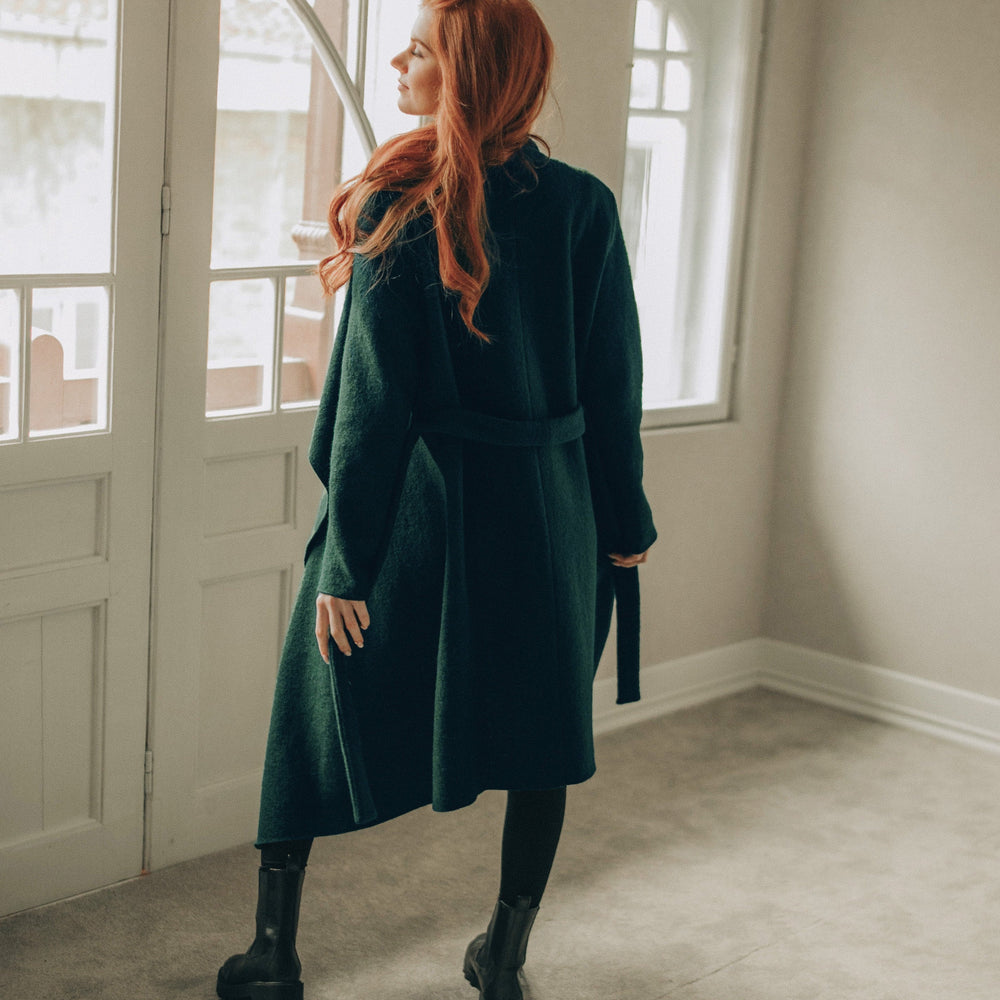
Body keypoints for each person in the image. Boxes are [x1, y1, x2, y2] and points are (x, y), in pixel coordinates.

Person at [216, 1, 655, 997]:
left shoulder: (395, 207)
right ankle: (501, 960)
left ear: (465, 74)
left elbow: (372, 410)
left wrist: (347, 561)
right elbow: (613, 384)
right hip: (551, 518)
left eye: (417, 50)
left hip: (422, 516)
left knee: (309, 708)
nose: (397, 60)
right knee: (543, 726)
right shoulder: (581, 205)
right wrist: (622, 525)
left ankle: (272, 954)